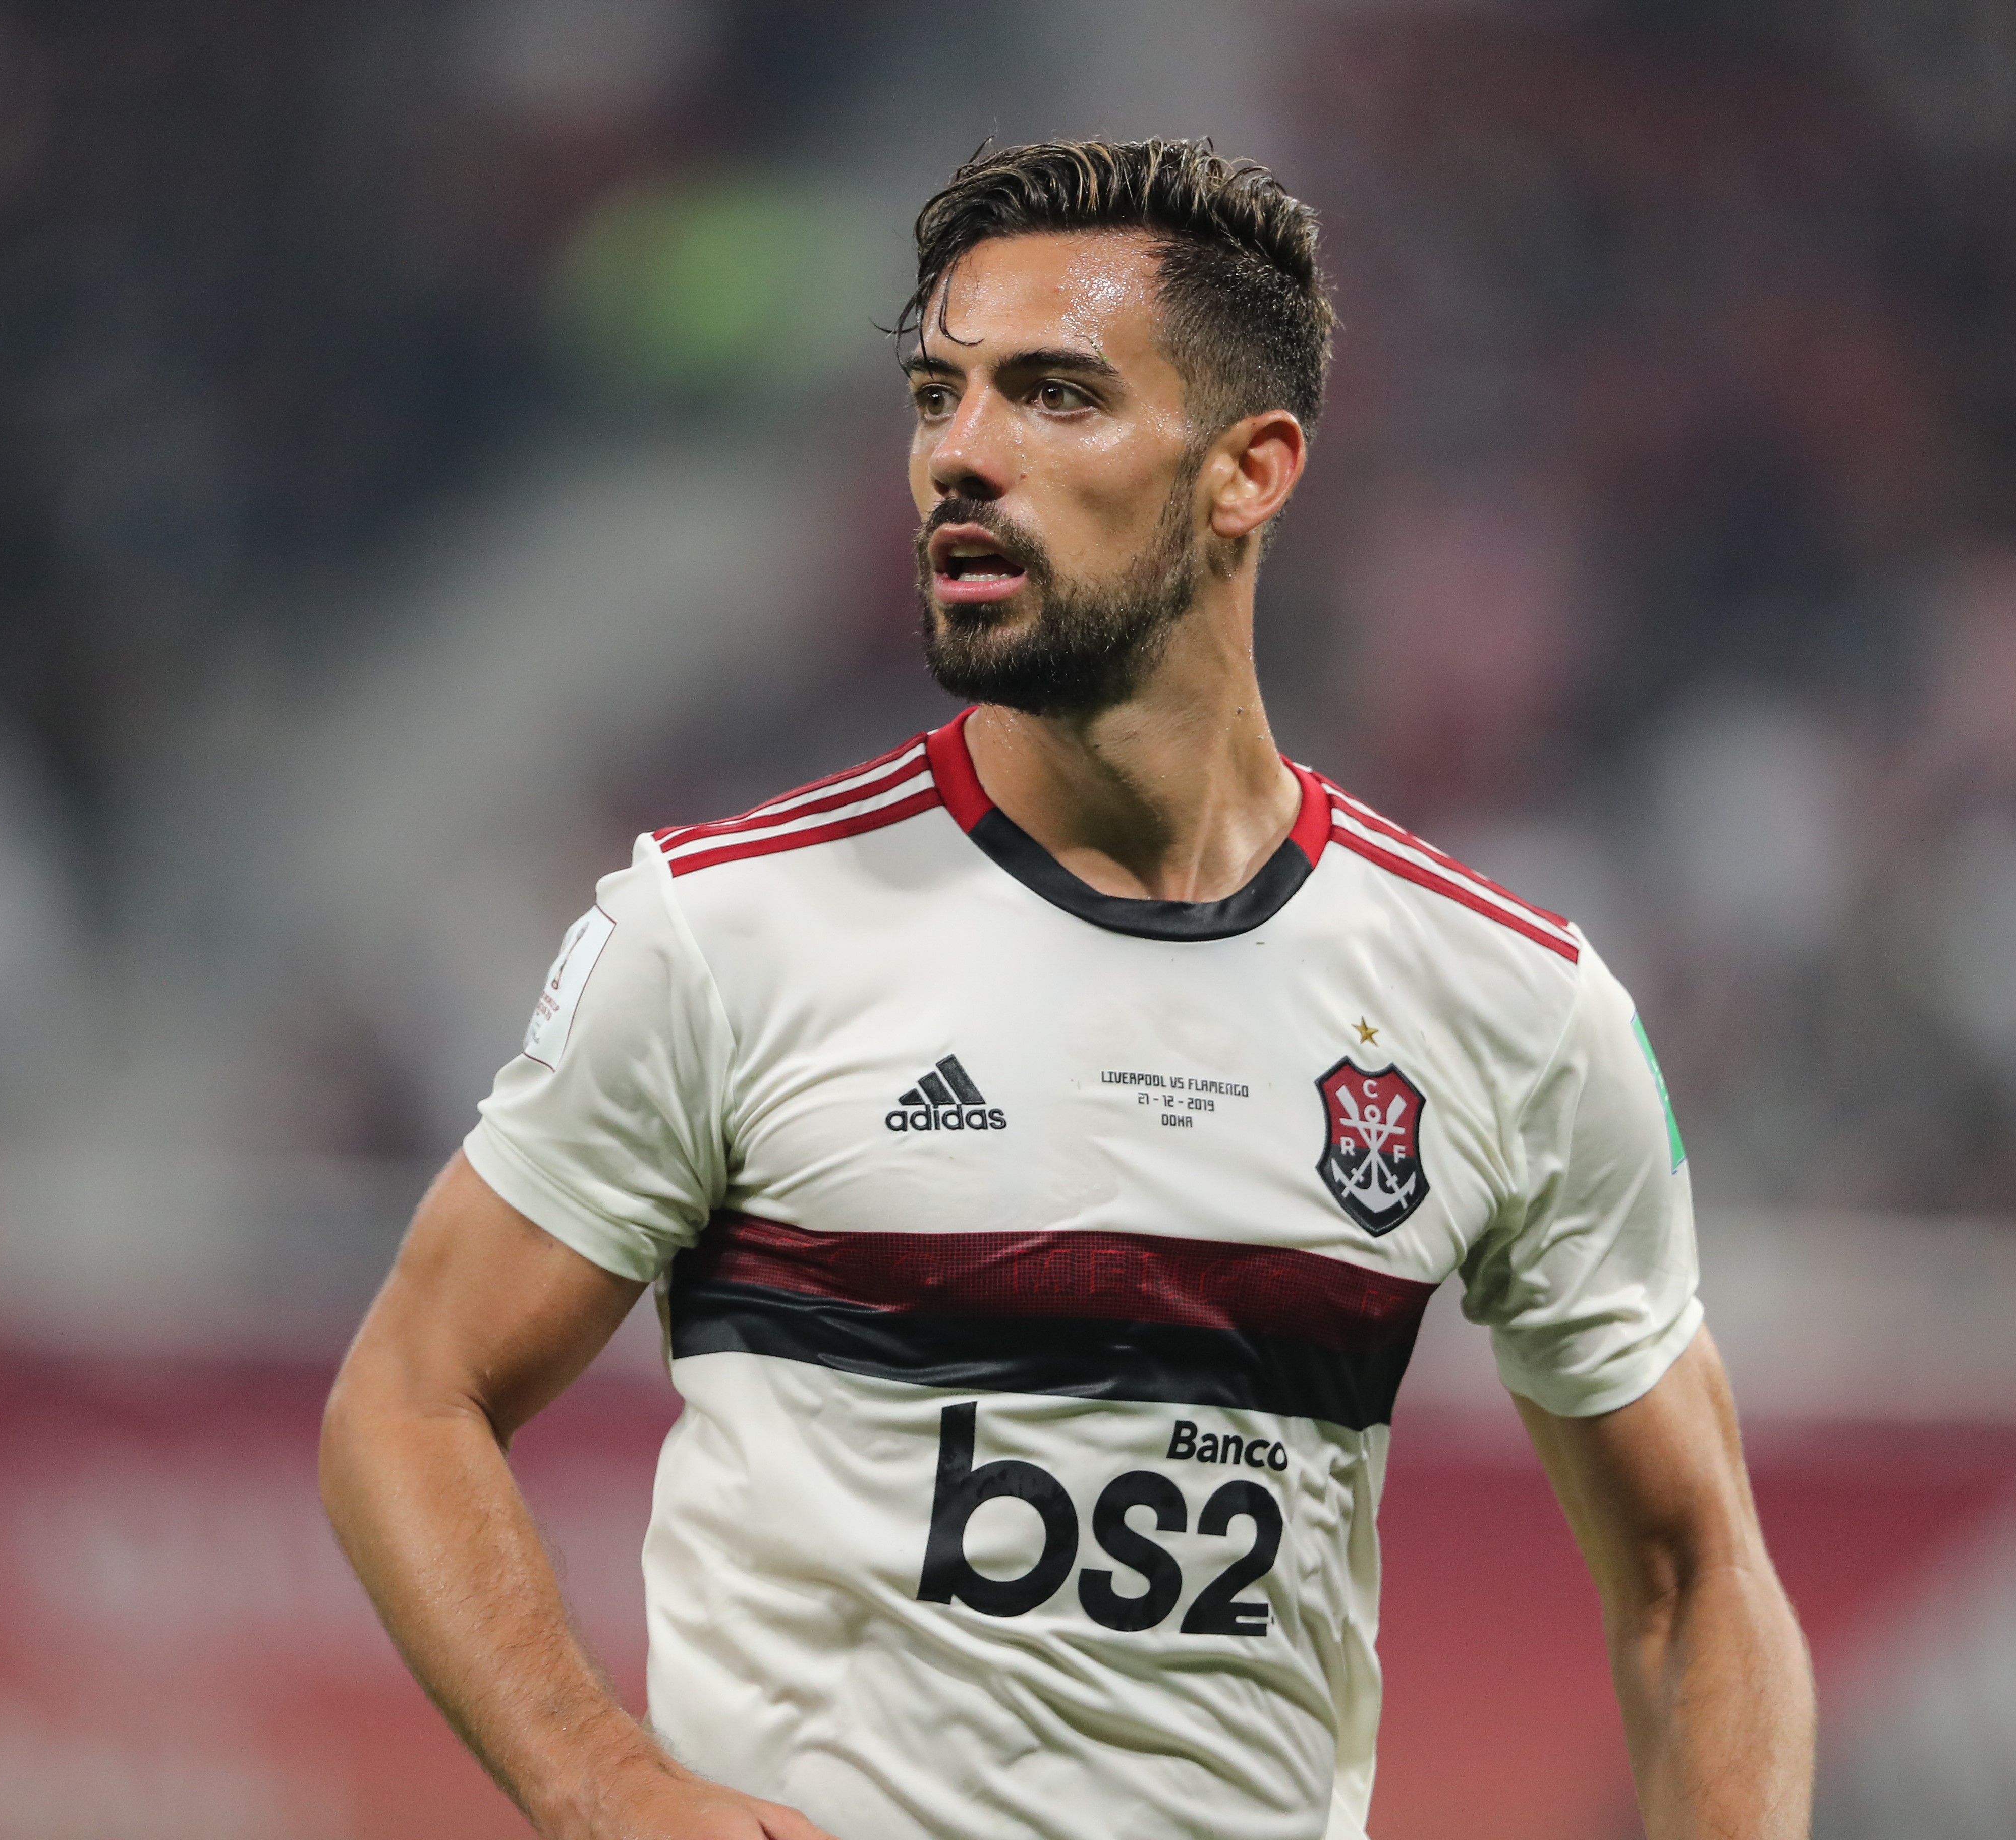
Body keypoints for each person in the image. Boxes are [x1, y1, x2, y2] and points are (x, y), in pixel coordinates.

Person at [319, 138, 1815, 1840]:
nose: (963, 454)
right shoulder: (726, 932)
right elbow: (407, 1397)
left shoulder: (1510, 1008)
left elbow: (1699, 1579)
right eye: (937, 396)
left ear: (1251, 471)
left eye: (1054, 397)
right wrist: (602, 1784)